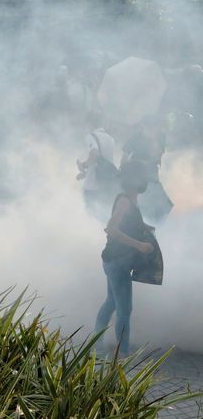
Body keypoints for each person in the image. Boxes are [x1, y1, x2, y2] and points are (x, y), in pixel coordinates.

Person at [94, 160, 154, 358]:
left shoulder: (131, 199)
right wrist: (139, 245)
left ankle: (97, 344)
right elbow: (111, 228)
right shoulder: (125, 201)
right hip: (116, 262)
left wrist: (144, 227)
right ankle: (123, 354)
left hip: (115, 261)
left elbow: (131, 222)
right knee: (124, 309)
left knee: (111, 302)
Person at [120, 115, 173, 225]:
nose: (150, 129)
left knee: (164, 204)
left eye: (153, 126)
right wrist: (123, 171)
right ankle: (143, 223)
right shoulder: (136, 137)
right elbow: (125, 156)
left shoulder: (160, 137)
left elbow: (159, 154)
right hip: (136, 172)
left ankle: (155, 224)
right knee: (141, 199)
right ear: (143, 126)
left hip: (151, 173)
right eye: (147, 126)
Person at [76, 126, 119, 222]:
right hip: (106, 186)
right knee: (104, 217)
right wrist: (85, 173)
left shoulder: (91, 136)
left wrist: (83, 165)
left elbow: (94, 154)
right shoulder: (110, 139)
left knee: (91, 219)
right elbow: (103, 164)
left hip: (92, 187)